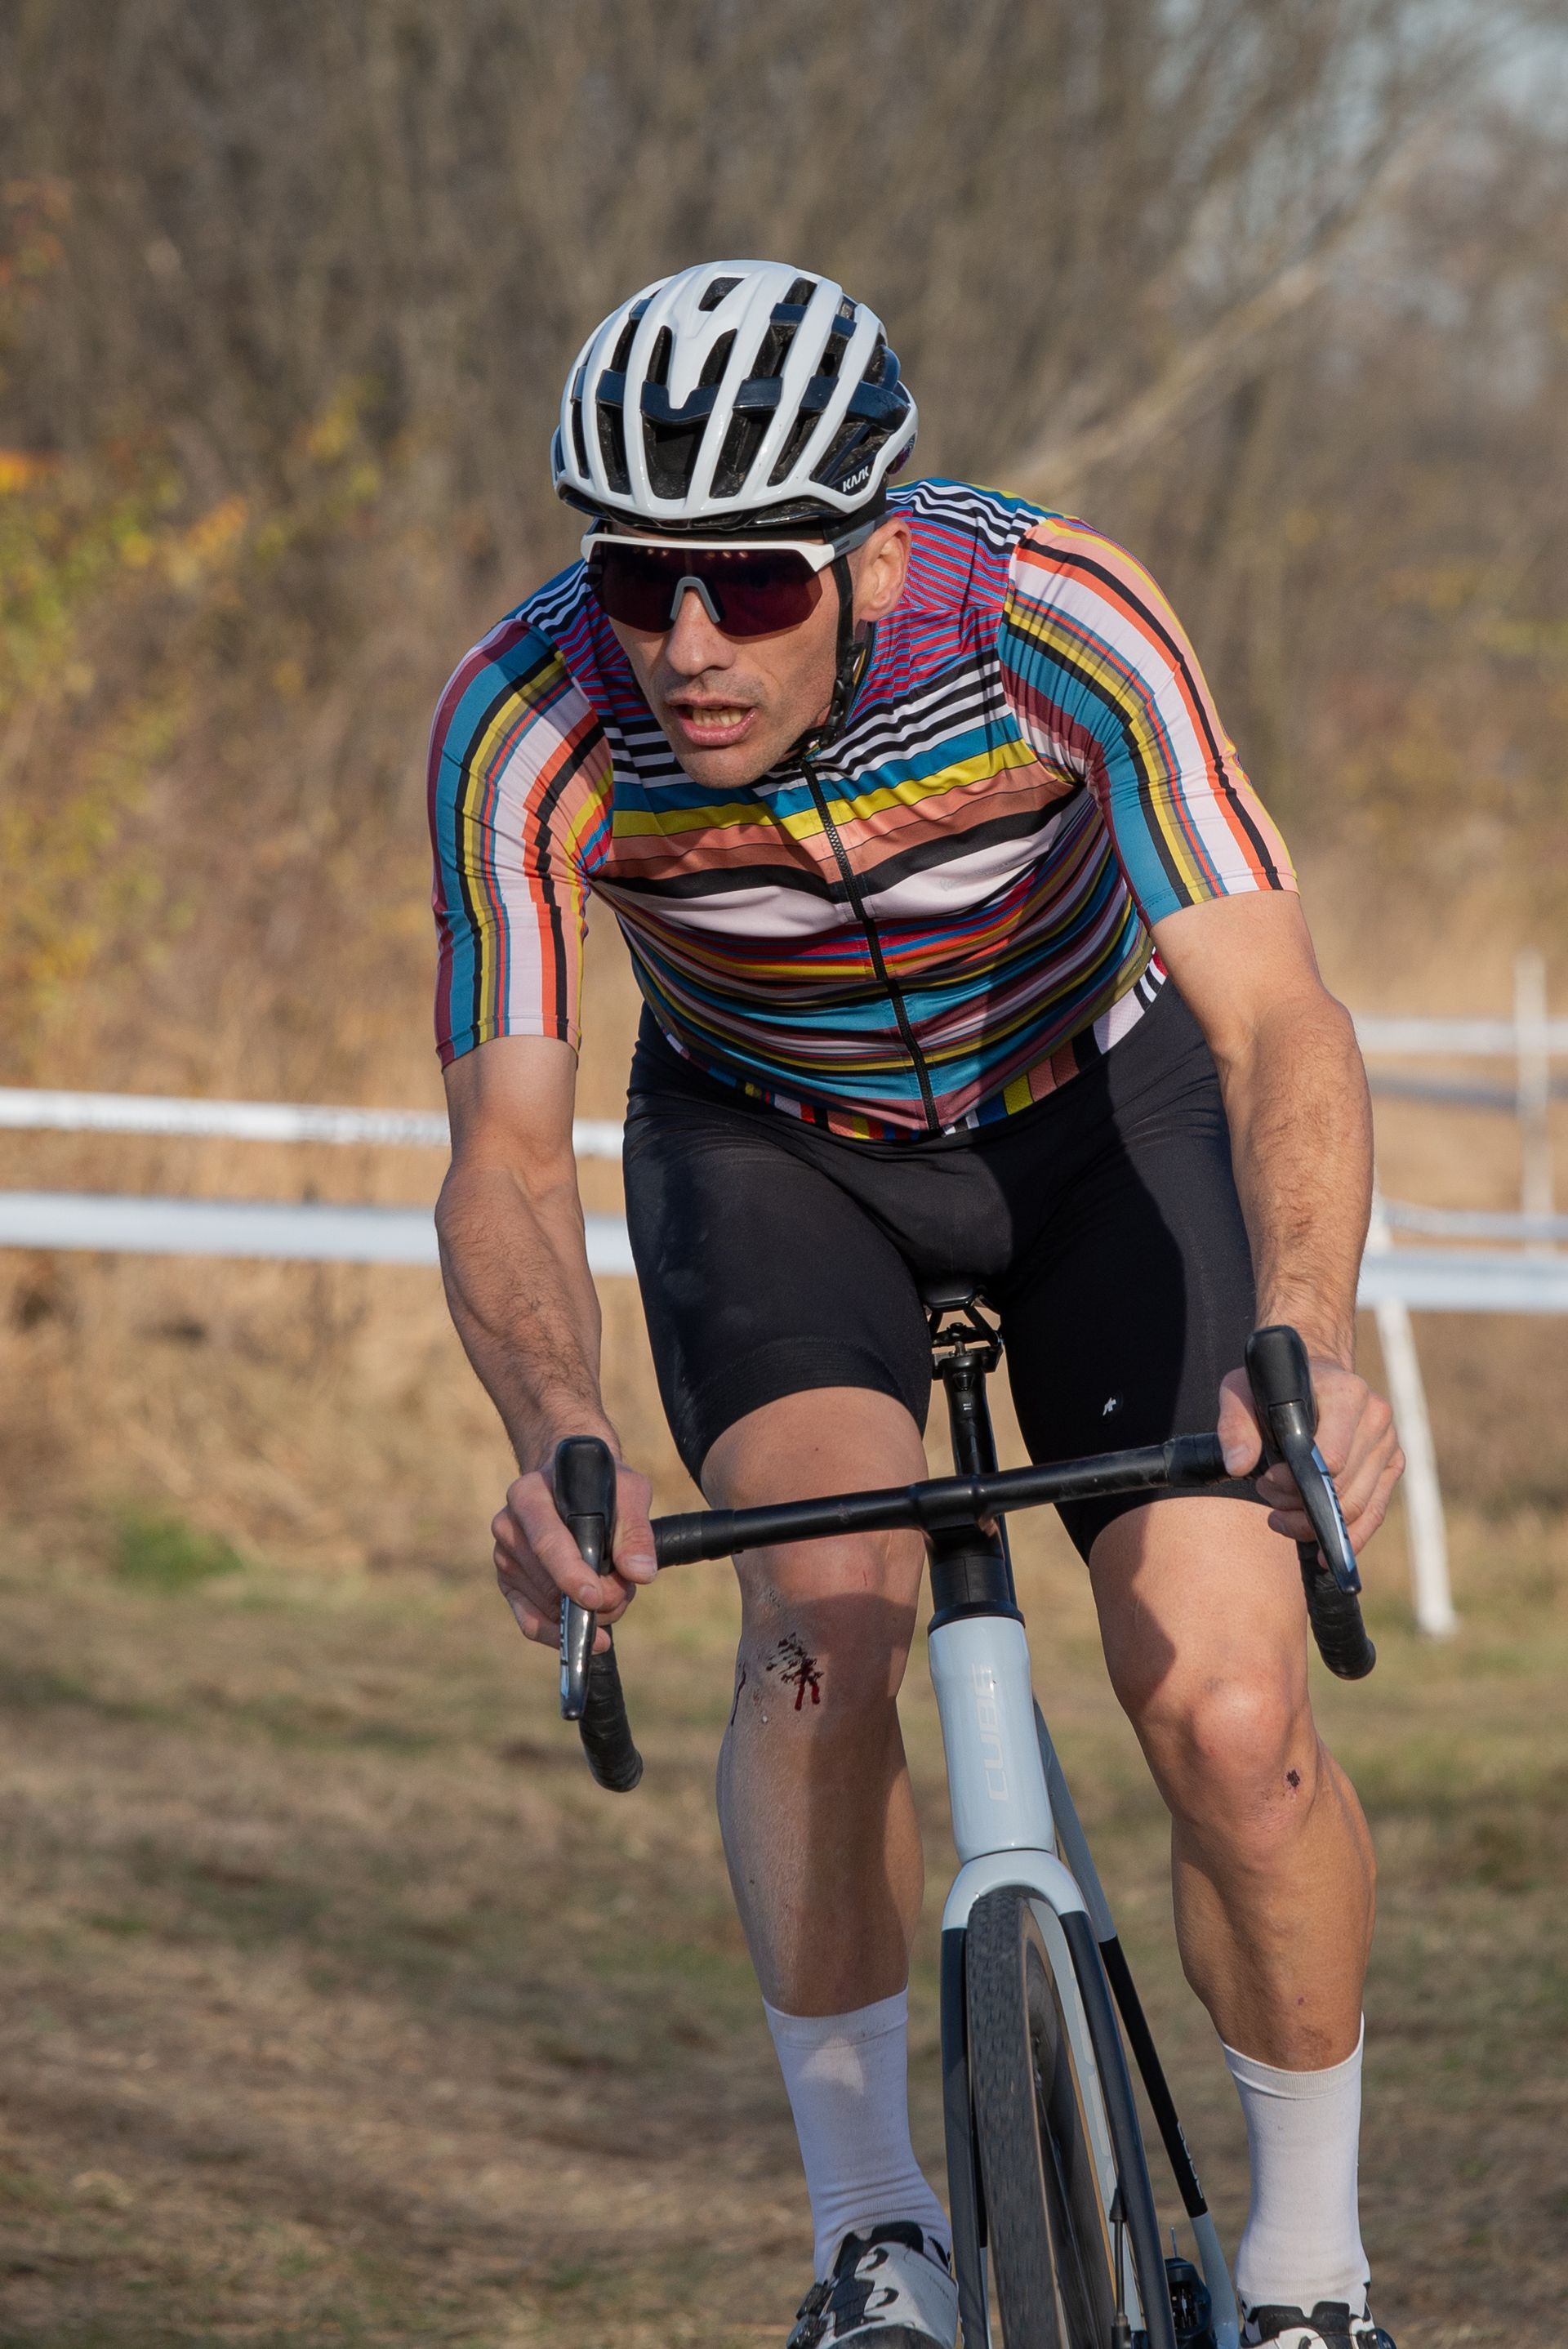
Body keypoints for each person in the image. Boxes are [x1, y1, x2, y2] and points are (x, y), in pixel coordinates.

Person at [427, 260, 1403, 2349]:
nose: (687, 649)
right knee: (821, 1629)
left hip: (1099, 1111)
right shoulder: (524, 726)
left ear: (873, 555)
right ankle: (880, 2234)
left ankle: (1312, 2272)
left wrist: (1307, 1323)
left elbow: (1278, 1018)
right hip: (773, 1146)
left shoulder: (1059, 622)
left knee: (1231, 1710)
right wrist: (552, 1435)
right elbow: (507, 1148)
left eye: (755, 586)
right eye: (638, 577)